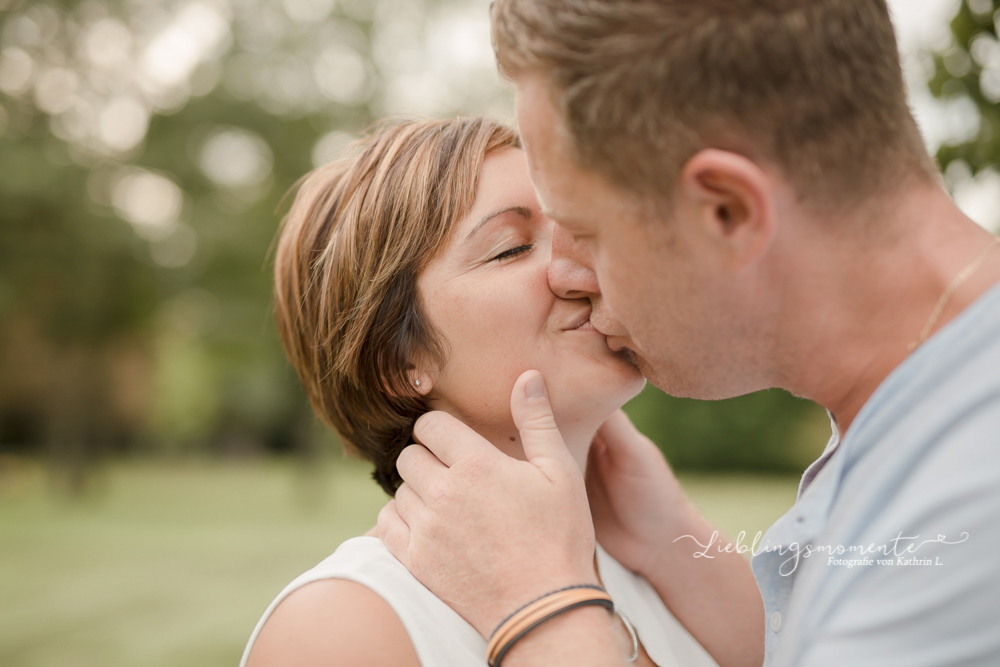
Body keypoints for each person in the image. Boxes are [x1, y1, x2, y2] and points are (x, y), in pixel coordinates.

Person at [376, 1, 1000, 666]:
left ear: (727, 212)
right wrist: (677, 545)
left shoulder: (969, 485)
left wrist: (541, 607)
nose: (564, 272)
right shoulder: (928, 405)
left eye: (582, 230)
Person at [239, 117, 724, 667]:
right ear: (399, 362)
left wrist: (674, 537)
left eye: (576, 225)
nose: (581, 266)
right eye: (512, 249)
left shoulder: (659, 563)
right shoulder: (340, 629)